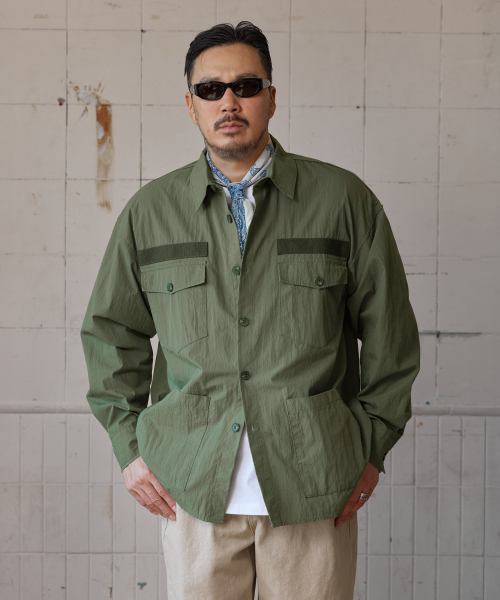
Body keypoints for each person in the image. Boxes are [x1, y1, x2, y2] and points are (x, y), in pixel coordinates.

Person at [81, 20, 420, 600]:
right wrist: (130, 450)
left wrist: (372, 448)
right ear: (191, 104)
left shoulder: (344, 202)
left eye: (246, 85)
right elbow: (110, 333)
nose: (229, 102)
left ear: (271, 96)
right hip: (193, 489)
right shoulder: (150, 213)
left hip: (316, 488)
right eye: (210, 89)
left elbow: (392, 338)